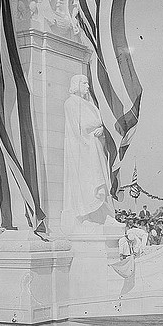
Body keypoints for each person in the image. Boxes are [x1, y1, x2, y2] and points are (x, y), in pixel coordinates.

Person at [61, 75, 116, 232]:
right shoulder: (71, 103)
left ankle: (102, 216)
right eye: (84, 83)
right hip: (82, 149)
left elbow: (98, 123)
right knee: (87, 183)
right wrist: (97, 125)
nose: (87, 86)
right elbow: (78, 127)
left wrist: (102, 129)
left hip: (95, 146)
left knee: (99, 181)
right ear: (76, 85)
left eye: (87, 83)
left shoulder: (89, 104)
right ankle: (85, 216)